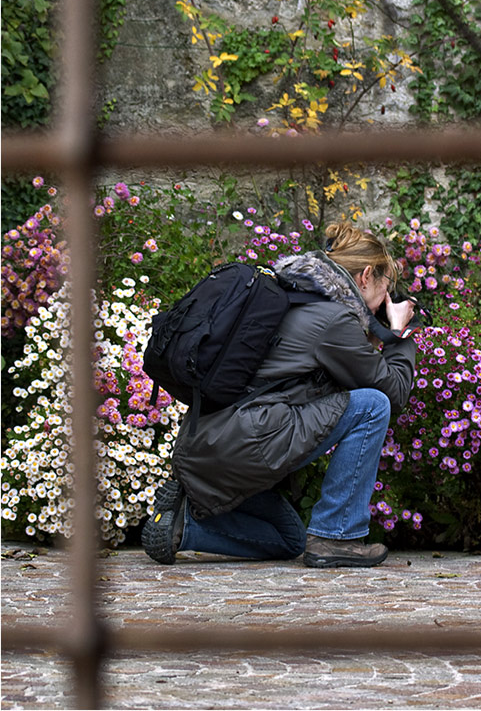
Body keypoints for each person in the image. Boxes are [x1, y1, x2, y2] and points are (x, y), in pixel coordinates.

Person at [141, 222, 417, 568]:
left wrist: (370, 340)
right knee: (372, 406)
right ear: (365, 277)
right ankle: (337, 536)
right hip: (244, 441)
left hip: (211, 446)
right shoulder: (333, 319)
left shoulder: (295, 295)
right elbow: (392, 393)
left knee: (290, 540)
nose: (385, 301)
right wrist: (398, 333)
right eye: (386, 289)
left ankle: (183, 526)